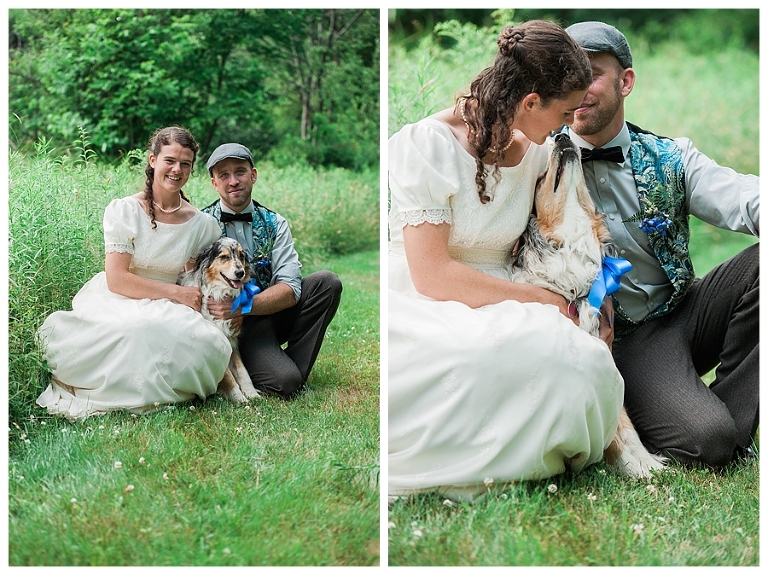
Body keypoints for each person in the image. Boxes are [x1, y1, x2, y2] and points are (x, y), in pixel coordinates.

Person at [388, 20, 625, 502]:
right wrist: (537, 299)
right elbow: (432, 274)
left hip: (510, 284)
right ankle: (487, 461)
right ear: (530, 101)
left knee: (582, 357)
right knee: (476, 357)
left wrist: (587, 296)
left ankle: (548, 452)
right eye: (562, 112)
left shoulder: (539, 148)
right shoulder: (425, 145)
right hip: (427, 290)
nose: (567, 125)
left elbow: (569, 233)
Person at [563, 21, 759, 467]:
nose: (577, 89)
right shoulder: (541, 166)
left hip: (687, 308)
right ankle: (710, 429)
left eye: (590, 73)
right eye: (566, 75)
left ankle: (734, 424)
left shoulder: (672, 156)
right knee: (707, 440)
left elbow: (744, 197)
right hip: (624, 338)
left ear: (625, 81)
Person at [36, 126, 231, 419]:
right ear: (153, 160)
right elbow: (117, 279)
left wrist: (200, 299)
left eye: (185, 163)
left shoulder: (201, 224)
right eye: (170, 160)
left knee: (202, 339)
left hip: (170, 303)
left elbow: (192, 276)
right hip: (121, 294)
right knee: (136, 329)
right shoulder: (125, 210)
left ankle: (172, 389)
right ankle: (120, 393)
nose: (177, 169)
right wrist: (176, 293)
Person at [202, 143, 342, 398]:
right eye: (224, 175)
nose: (233, 181)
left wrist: (242, 306)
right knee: (285, 382)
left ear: (253, 175)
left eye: (240, 172)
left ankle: (286, 369)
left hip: (267, 312)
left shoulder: (275, 223)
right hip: (227, 330)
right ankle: (281, 373)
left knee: (327, 283)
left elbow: (291, 288)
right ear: (214, 183)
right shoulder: (202, 225)